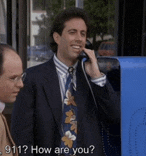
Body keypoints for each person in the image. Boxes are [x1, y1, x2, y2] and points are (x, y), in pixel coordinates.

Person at [11, 7, 120, 156]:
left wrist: (97, 76)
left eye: (83, 34)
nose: (79, 38)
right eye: (72, 32)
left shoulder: (92, 78)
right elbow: (22, 138)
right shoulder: (32, 79)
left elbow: (115, 117)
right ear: (57, 37)